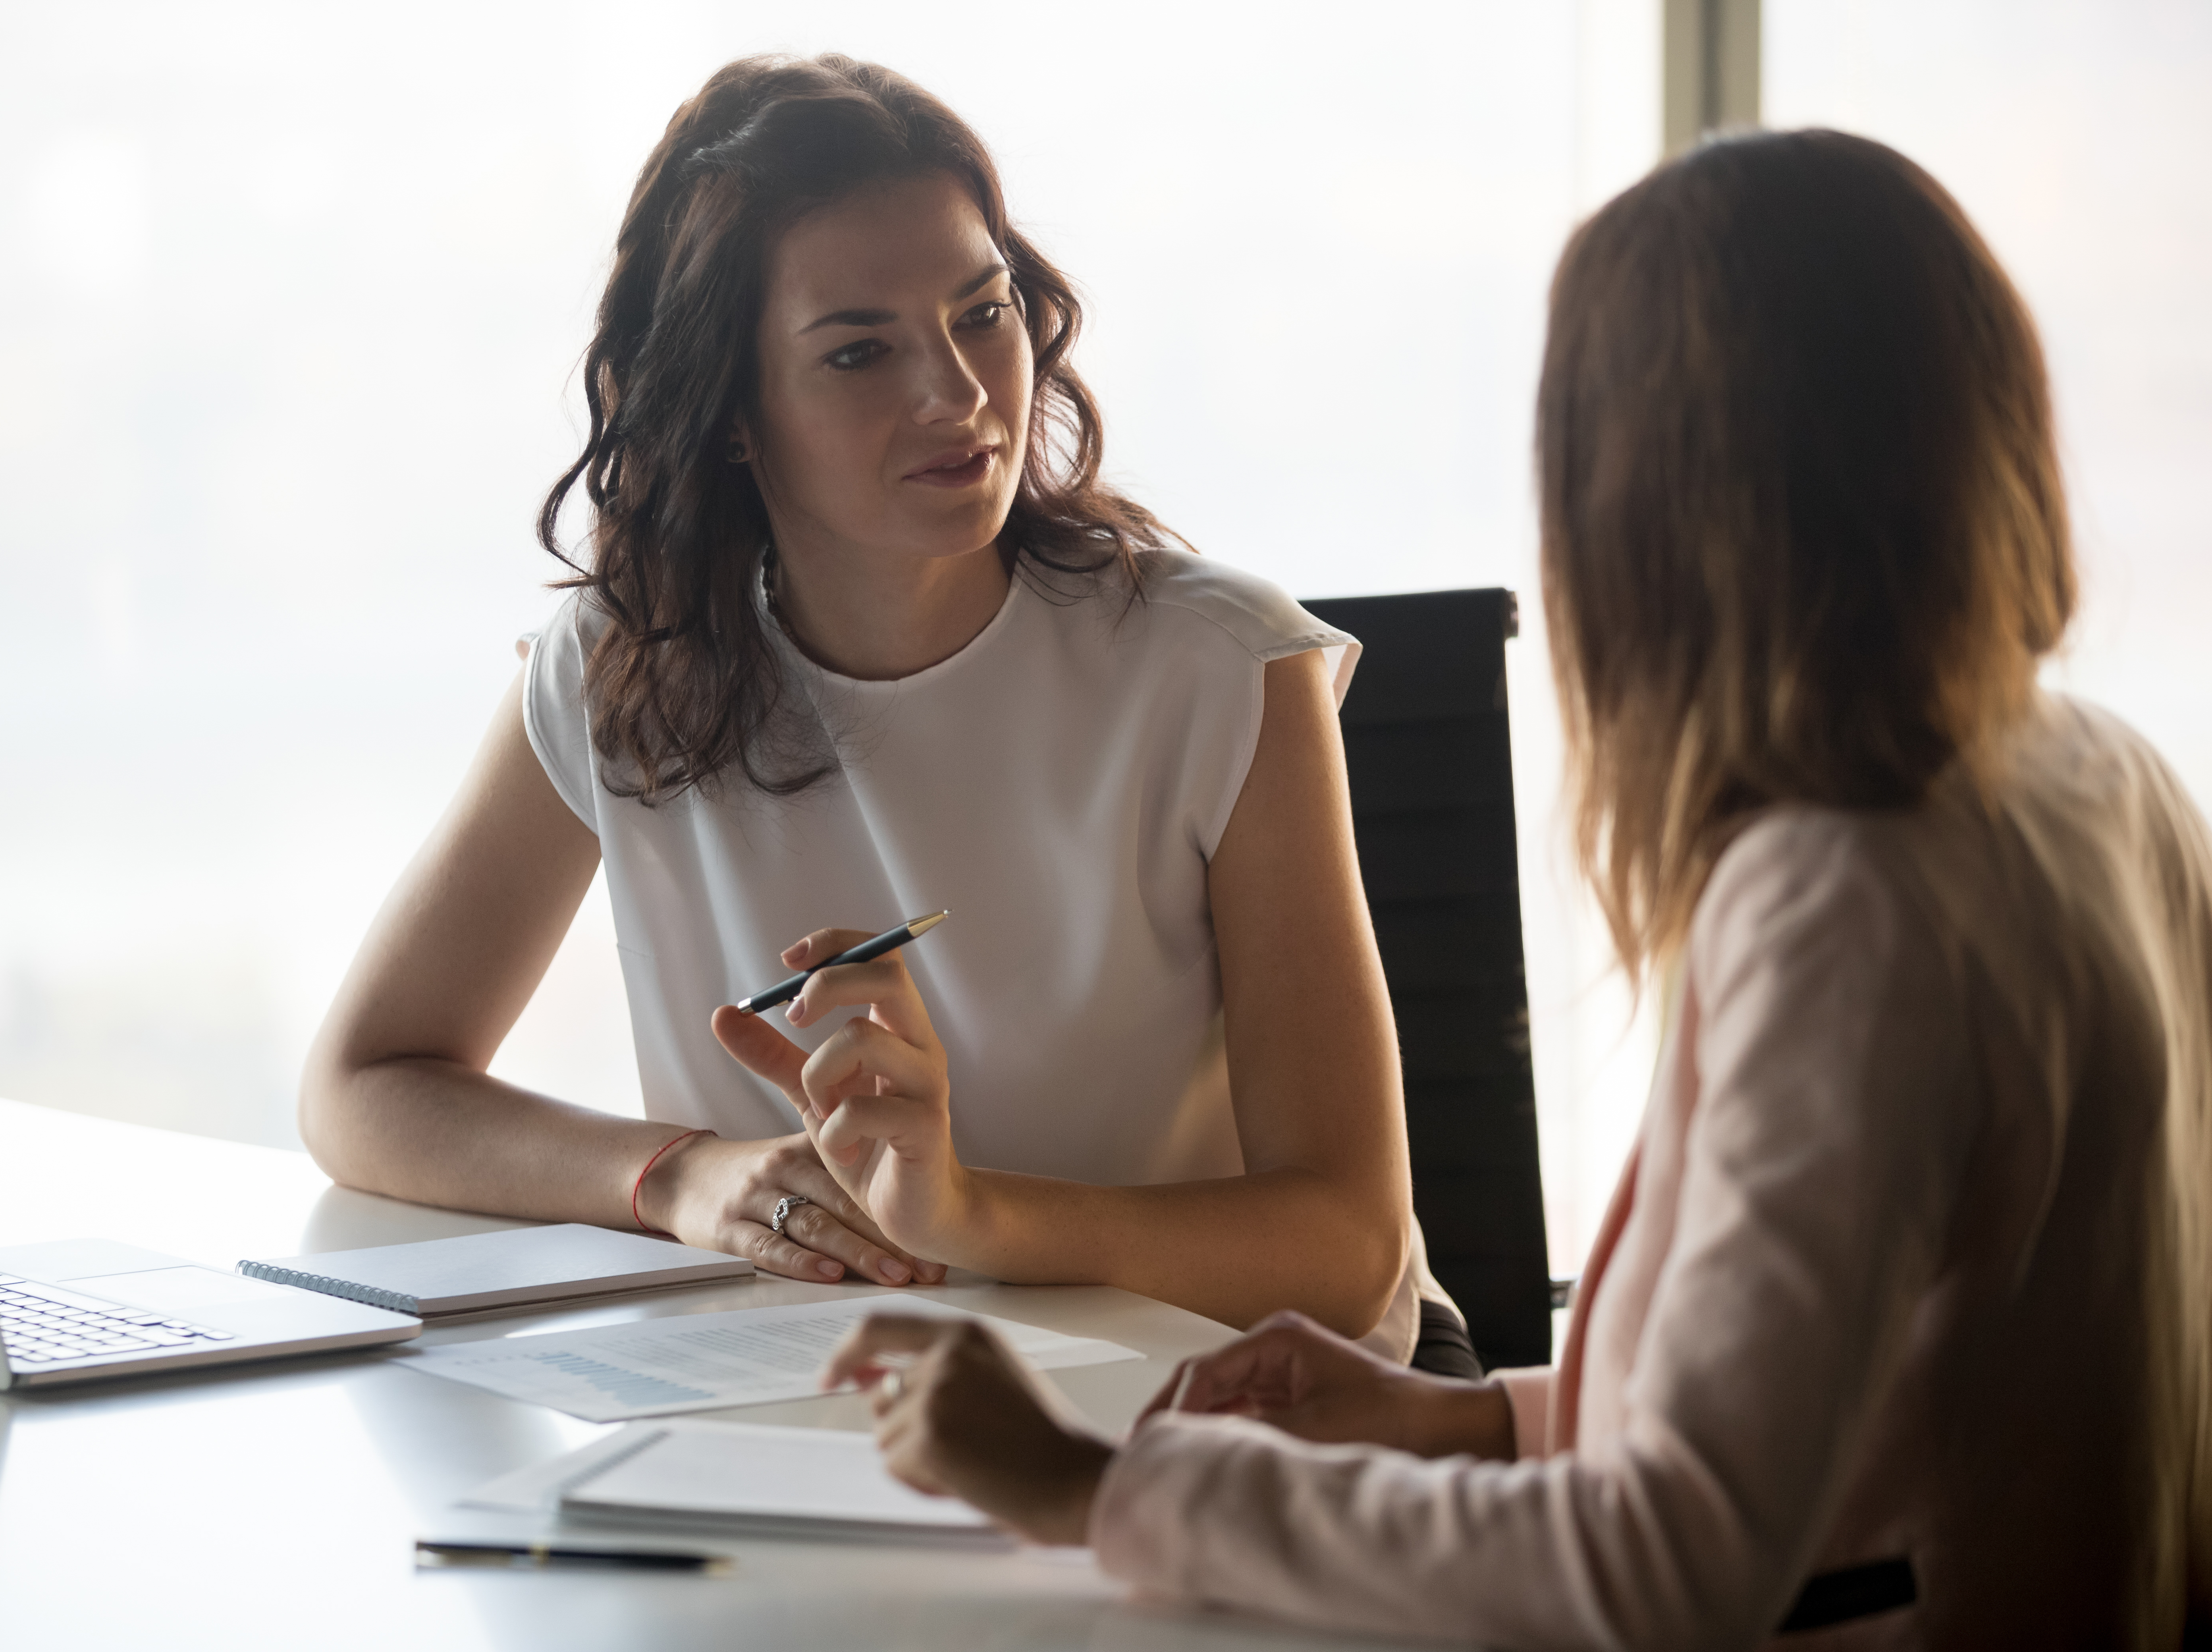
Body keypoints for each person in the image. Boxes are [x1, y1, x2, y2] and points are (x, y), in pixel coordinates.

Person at [823, 129, 2212, 1646]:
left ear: (1646, 506)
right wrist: (1473, 1429)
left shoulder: (1844, 900)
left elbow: (1656, 1569)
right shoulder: (2099, 778)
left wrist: (1091, 1491)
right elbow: (1891, 1423)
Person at [299, 53, 1471, 1365]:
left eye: (983, 313)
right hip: (832, 1402)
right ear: (732, 413)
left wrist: (970, 1214)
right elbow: (364, 1087)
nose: (961, 395)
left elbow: (1345, 1243)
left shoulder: (1219, 666)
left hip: (1259, 1397)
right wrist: (683, 1178)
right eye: (861, 350)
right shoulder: (623, 666)